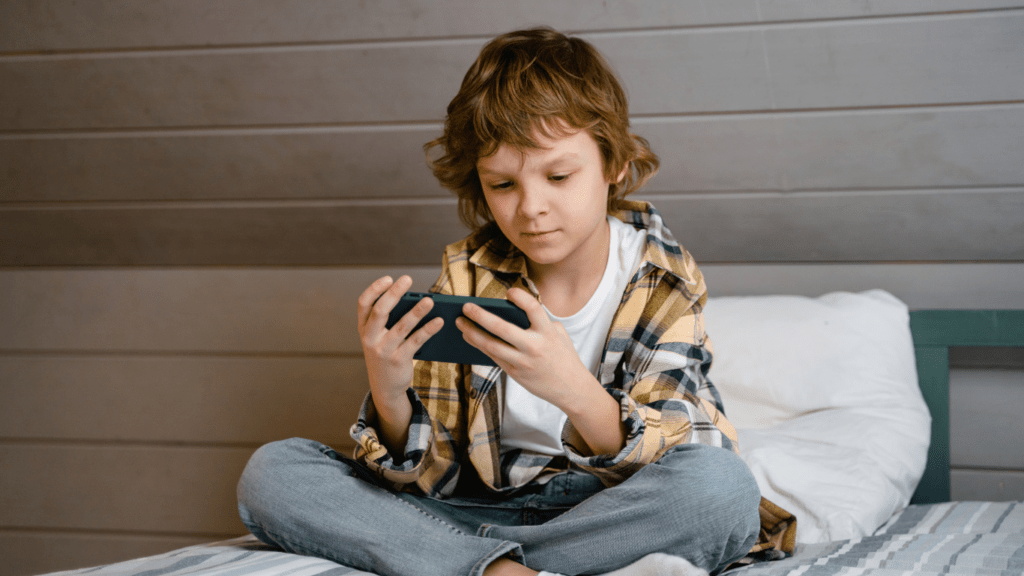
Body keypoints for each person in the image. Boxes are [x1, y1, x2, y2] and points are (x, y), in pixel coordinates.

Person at [237, 27, 795, 576]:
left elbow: (681, 449)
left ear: (615, 165)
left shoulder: (662, 279)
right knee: (274, 473)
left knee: (720, 492)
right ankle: (497, 569)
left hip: (596, 512)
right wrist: (390, 393)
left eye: (558, 175)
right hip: (465, 510)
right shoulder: (466, 276)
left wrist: (572, 390)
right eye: (502, 185)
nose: (531, 208)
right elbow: (435, 479)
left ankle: (460, 564)